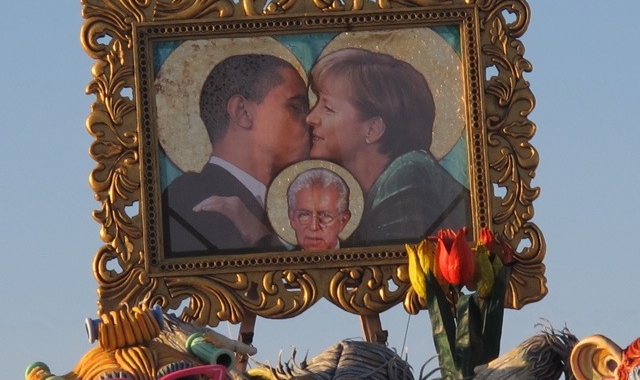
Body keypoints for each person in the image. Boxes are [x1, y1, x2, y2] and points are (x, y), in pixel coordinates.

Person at [306, 47, 470, 246]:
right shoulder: (382, 183)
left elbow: (395, 261)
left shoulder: (408, 177)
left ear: (373, 129)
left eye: (328, 108)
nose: (311, 118)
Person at [162, 54, 310, 256]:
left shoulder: (287, 207)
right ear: (242, 112)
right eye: (296, 108)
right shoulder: (189, 199)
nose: (311, 120)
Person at [287, 168, 351, 250]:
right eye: (304, 215)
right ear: (292, 217)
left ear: (343, 221)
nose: (313, 227)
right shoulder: (280, 257)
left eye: (325, 215)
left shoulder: (361, 255)